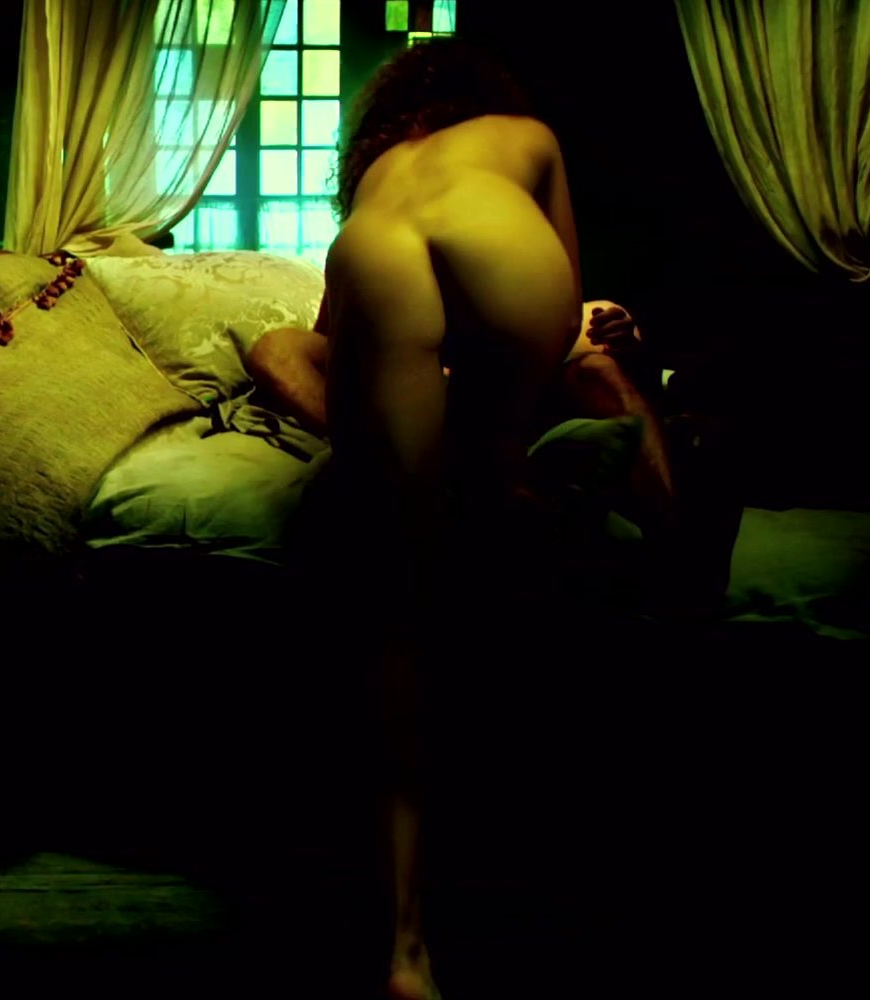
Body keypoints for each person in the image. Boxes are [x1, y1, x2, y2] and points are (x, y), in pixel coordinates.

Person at [243, 39, 675, 1000]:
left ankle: (405, 949)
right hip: (505, 259)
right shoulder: (526, 138)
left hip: (374, 265)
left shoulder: (381, 180)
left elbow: (326, 340)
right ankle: (521, 490)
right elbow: (562, 303)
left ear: (387, 123)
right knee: (496, 497)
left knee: (398, 608)